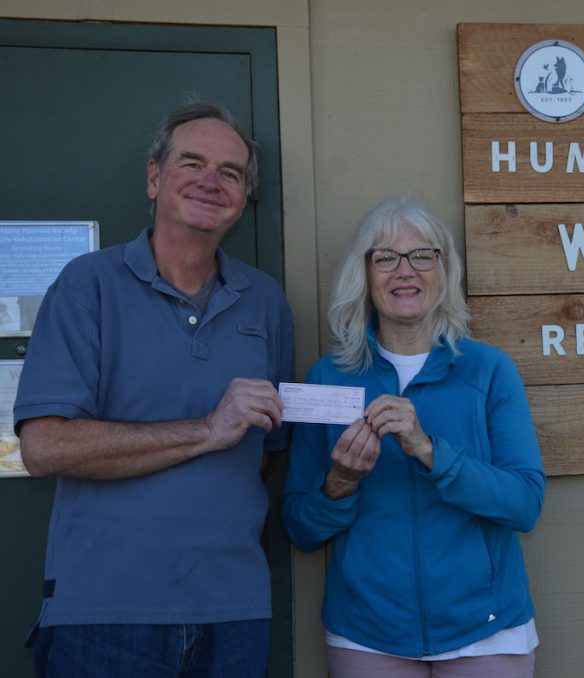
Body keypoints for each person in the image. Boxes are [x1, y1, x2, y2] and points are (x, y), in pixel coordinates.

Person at [14, 101, 294, 676]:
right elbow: (44, 448)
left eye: (231, 172)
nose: (211, 182)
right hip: (104, 613)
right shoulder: (86, 286)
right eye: (192, 163)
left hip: (234, 610)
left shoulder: (265, 301)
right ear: (154, 177)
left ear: (243, 197)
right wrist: (208, 429)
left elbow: (269, 453)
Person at [283, 199, 545, 678]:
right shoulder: (327, 379)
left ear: (444, 269)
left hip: (486, 631)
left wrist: (430, 451)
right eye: (385, 257)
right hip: (366, 634)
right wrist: (339, 483)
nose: (404, 271)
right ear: (363, 273)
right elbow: (300, 528)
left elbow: (524, 504)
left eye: (422, 255)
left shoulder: (488, 371)